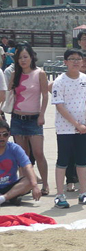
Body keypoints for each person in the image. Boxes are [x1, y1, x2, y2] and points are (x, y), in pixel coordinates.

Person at [51, 49, 86, 208]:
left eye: (79, 59)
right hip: (65, 128)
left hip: (84, 128)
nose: (76, 62)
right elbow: (60, 106)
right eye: (72, 59)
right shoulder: (59, 81)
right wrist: (76, 124)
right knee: (63, 160)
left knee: (82, 160)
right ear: (65, 62)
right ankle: (59, 195)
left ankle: (83, 193)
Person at [9, 43, 49, 195]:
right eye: (20, 58)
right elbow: (10, 95)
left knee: (38, 153)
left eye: (25, 57)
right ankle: (24, 184)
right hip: (17, 118)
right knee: (22, 155)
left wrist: (42, 115)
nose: (23, 60)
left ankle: (45, 184)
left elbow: (45, 95)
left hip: (34, 119)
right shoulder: (14, 74)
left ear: (32, 57)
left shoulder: (40, 73)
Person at [0, 118, 39, 207]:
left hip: (11, 185)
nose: (2, 137)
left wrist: (35, 186)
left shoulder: (15, 148)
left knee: (30, 179)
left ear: (9, 135)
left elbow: (27, 166)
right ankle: (12, 198)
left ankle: (4, 198)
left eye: (5, 134)